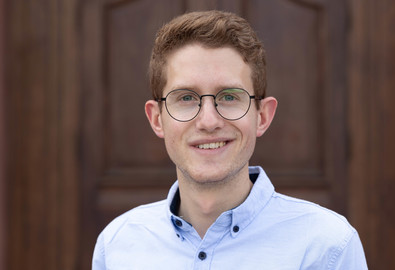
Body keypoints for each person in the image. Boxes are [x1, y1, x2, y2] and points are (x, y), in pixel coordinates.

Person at [92, 10, 368, 269]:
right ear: (157, 118)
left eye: (229, 97)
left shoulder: (327, 247)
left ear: (262, 116)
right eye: (186, 98)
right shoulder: (117, 245)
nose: (209, 121)